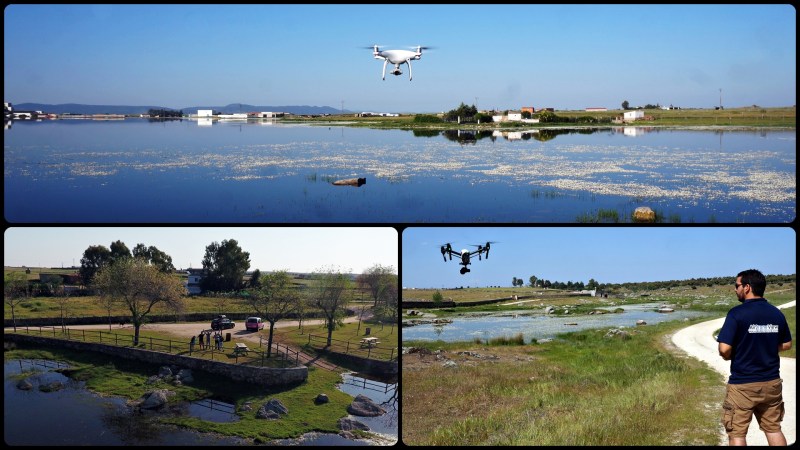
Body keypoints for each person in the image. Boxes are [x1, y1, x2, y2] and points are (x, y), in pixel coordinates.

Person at [717, 269, 792, 446]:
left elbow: (724, 349)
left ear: (747, 287)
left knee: (737, 433)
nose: (735, 289)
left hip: (743, 385)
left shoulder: (736, 313)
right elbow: (787, 344)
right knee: (773, 429)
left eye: (737, 286)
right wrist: (764, 348)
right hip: (772, 383)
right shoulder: (776, 313)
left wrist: (736, 353)